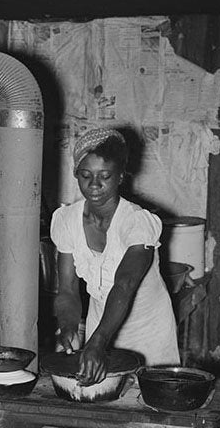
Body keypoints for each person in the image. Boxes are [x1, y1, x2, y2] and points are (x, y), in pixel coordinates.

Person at [50, 128, 180, 385]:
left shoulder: (137, 222)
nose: (94, 185)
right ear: (76, 175)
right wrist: (68, 326)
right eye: (85, 175)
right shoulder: (66, 220)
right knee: (103, 403)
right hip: (102, 326)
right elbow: (66, 289)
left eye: (105, 176)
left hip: (148, 333)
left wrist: (98, 342)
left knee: (149, 403)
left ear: (120, 177)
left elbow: (124, 284)